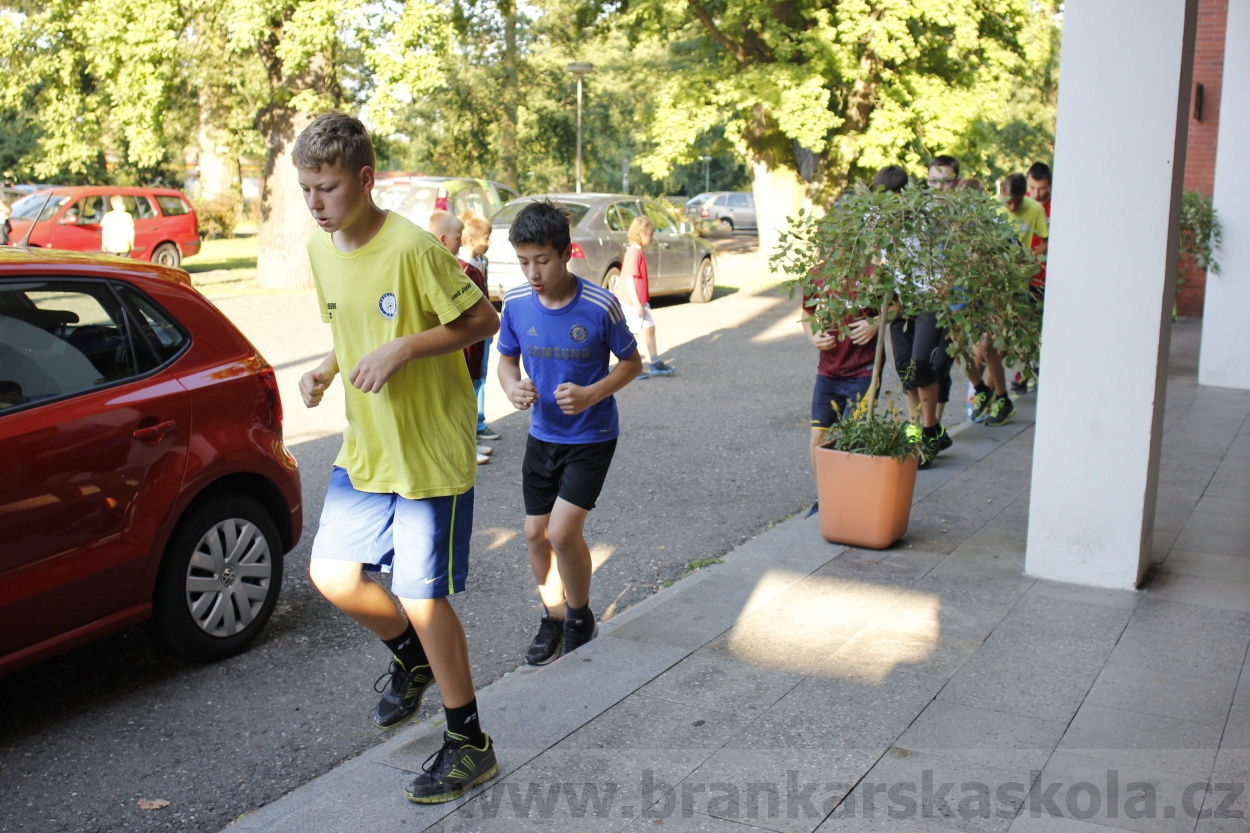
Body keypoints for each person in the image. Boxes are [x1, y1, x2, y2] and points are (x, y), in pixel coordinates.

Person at [293, 111, 501, 805]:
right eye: (306, 190)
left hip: (426, 453)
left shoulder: (413, 248)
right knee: (330, 574)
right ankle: (410, 660)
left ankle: (469, 740)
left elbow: (483, 320)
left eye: (326, 188)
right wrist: (329, 366)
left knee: (421, 594)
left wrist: (405, 347)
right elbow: (356, 327)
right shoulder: (322, 250)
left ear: (365, 178)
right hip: (366, 445)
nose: (316, 203)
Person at [496, 200, 642, 666]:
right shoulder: (517, 303)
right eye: (523, 262)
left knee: (561, 532)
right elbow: (505, 359)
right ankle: (552, 615)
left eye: (542, 260)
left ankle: (579, 616)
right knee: (534, 534)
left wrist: (591, 393)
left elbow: (632, 364)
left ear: (565, 253)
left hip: (592, 435)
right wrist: (511, 388)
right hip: (543, 435)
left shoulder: (601, 305)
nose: (533, 272)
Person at [803, 168, 891, 510]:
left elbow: (897, 308)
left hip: (862, 371)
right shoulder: (818, 275)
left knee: (852, 437)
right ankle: (823, 496)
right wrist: (813, 337)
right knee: (818, 436)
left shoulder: (873, 274)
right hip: (828, 371)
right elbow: (807, 315)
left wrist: (874, 323)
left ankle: (851, 498)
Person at [968, 173, 1048, 426]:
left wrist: (1025, 264)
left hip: (1007, 289)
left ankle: (997, 397)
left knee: (994, 346)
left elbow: (1019, 249)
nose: (1011, 206)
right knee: (974, 348)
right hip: (975, 292)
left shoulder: (999, 220)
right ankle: (984, 392)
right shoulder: (979, 217)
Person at [429, 210, 493, 465]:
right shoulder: (454, 267)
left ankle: (468, 444)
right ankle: (462, 448)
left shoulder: (457, 264)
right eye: (458, 237)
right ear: (444, 239)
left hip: (470, 345)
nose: (461, 240)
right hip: (460, 348)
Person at [458, 210, 501, 442]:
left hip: (481, 334)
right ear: (473, 240)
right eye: (486, 237)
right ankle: (471, 427)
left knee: (480, 377)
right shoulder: (464, 268)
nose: (489, 242)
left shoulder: (480, 263)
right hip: (470, 337)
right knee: (471, 378)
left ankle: (478, 422)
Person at [1011, 161, 1053, 393]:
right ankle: (1024, 369)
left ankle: (1027, 370)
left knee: (1038, 327)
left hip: (1046, 277)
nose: (1036, 193)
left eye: (1042, 188)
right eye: (1033, 187)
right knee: (1022, 327)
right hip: (1022, 277)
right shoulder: (1020, 202)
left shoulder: (1056, 207)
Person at [617, 215, 675, 379]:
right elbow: (629, 279)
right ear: (640, 233)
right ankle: (630, 367)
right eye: (650, 234)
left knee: (649, 328)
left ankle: (655, 361)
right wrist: (636, 303)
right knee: (632, 333)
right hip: (633, 302)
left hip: (641, 301)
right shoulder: (633, 253)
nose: (652, 237)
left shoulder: (637, 252)